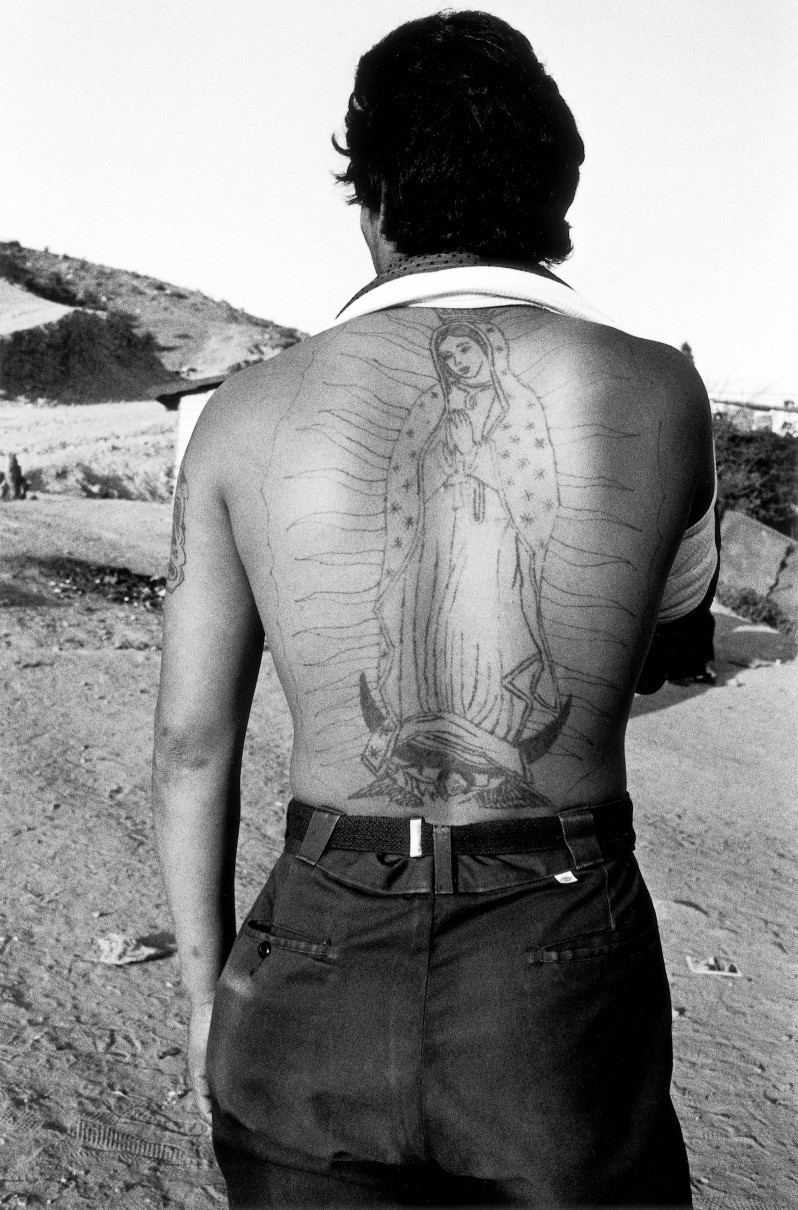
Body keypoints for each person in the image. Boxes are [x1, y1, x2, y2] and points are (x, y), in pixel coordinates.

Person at [152, 12, 716, 1207]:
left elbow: (191, 743)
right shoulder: (664, 389)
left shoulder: (241, 415)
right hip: (556, 964)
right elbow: (665, 656)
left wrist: (211, 995)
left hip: (312, 957)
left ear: (371, 200)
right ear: (558, 193)